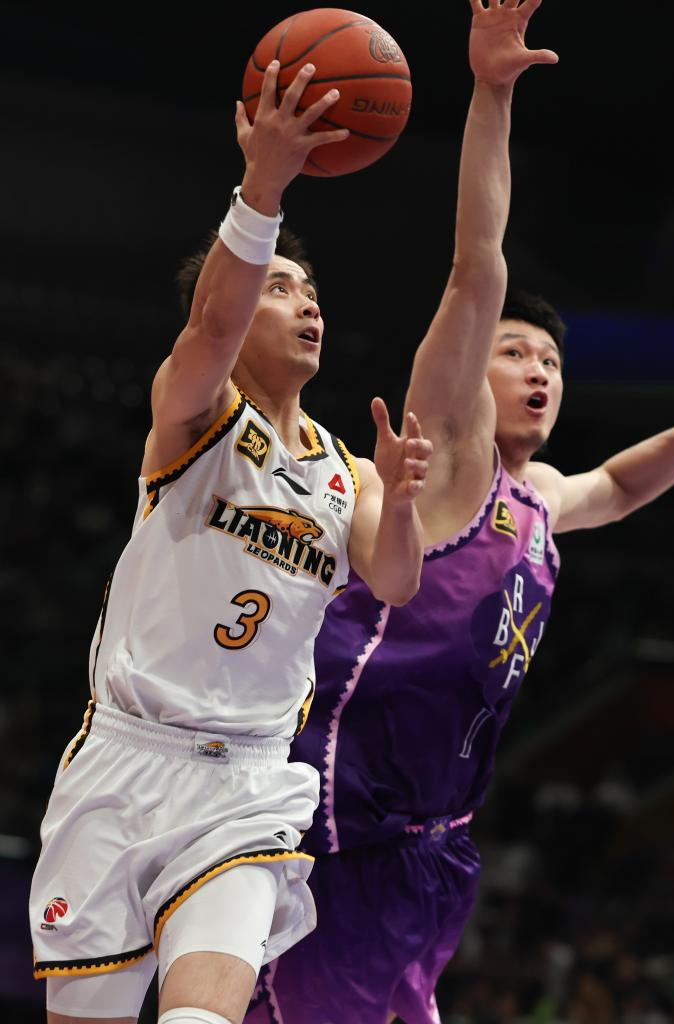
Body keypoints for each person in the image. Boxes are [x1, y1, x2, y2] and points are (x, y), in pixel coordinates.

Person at [245, 1, 674, 1023]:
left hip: (438, 840)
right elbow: (479, 263)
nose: (538, 371)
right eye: (515, 352)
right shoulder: (454, 463)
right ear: (475, 373)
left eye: (552, 361)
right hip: (345, 825)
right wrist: (491, 91)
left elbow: (617, 488)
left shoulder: (538, 497)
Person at [29, 57, 433, 1024]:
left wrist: (404, 498)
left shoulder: (347, 471)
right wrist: (264, 185)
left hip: (250, 783)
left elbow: (394, 580)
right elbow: (212, 324)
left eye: (313, 292)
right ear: (243, 306)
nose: (310, 304)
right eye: (283, 288)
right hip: (125, 762)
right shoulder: (195, 416)